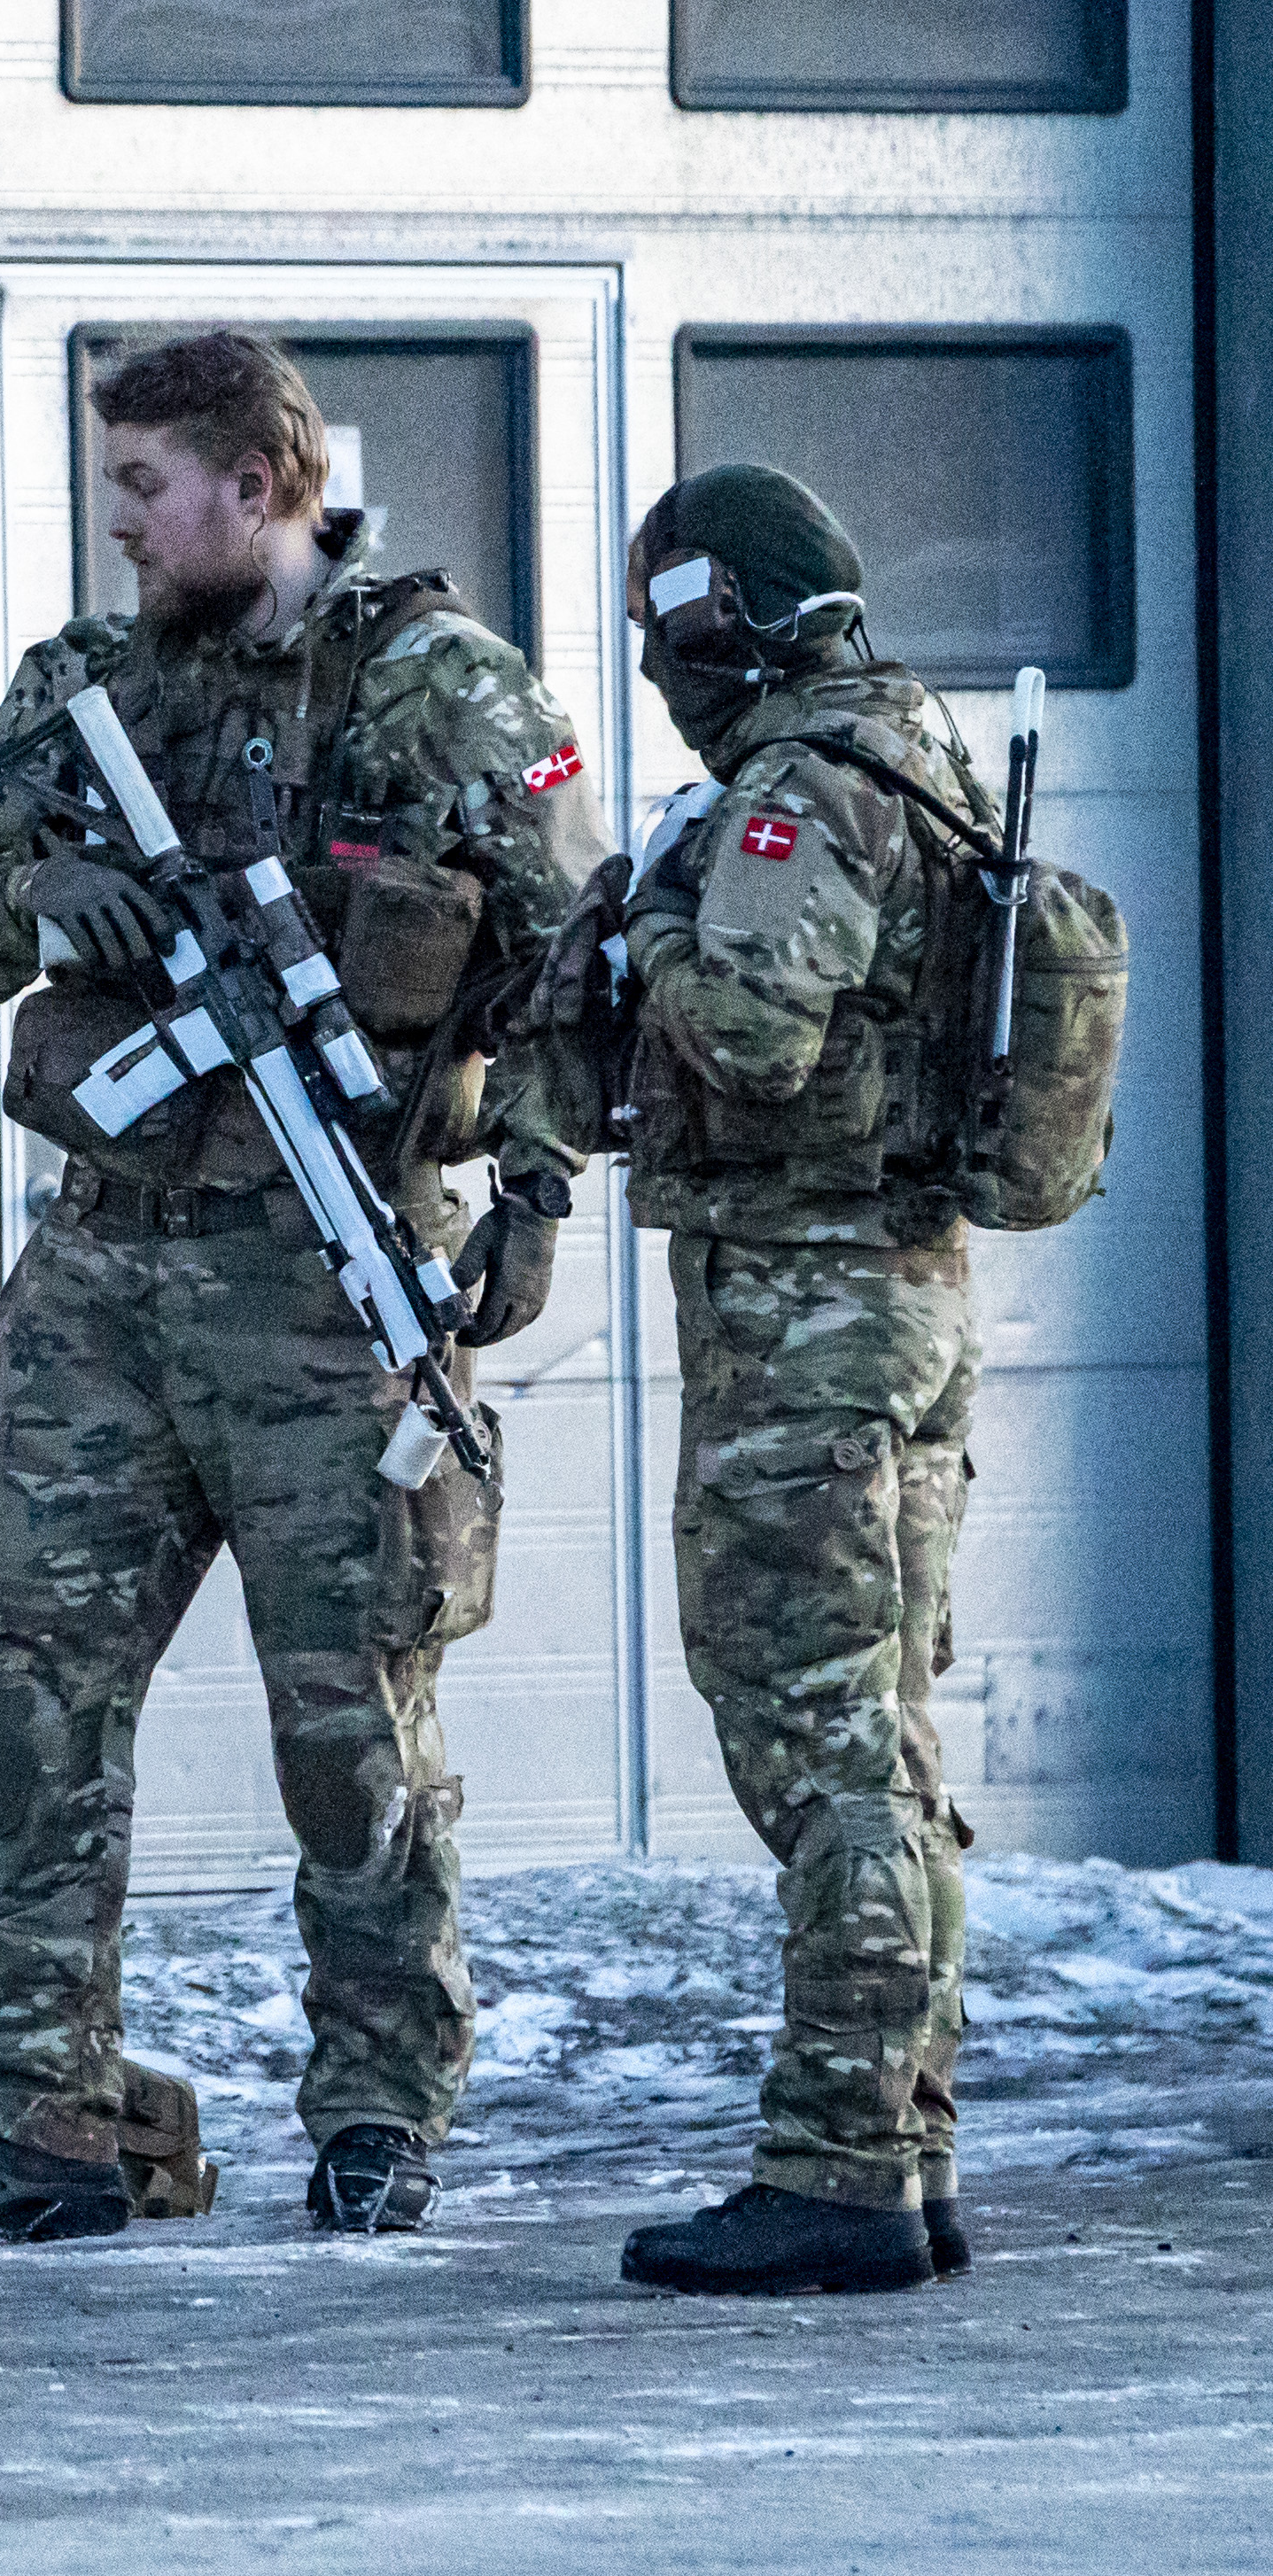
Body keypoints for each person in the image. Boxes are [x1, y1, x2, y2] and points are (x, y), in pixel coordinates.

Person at [0, 330, 598, 2245]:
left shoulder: (438, 690)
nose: (120, 524)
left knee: (351, 1725)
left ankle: (379, 2111)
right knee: (31, 1704)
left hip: (321, 1286)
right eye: (112, 485)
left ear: (259, 482)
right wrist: (42, 900)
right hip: (105, 1275)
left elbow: (572, 960)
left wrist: (530, 1189)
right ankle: (34, 2116)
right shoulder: (83, 689)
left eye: (147, 486)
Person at [507, 467, 990, 2296]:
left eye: (674, 637)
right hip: (897, 1300)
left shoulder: (803, 795)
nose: (661, 673)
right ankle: (901, 2142)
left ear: (737, 625)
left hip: (808, 1316)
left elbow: (757, 1034)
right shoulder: (913, 749)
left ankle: (842, 2163)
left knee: (817, 1737)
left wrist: (640, 927)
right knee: (883, 1731)